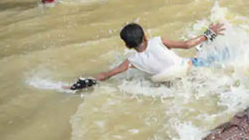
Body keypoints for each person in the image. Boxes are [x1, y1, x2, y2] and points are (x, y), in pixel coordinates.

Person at [66, 22, 226, 90]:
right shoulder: (158, 41)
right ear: (145, 36)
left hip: (168, 80)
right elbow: (187, 45)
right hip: (189, 67)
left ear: (127, 45)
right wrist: (208, 33)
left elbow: (107, 75)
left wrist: (86, 82)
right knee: (221, 57)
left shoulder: (132, 61)